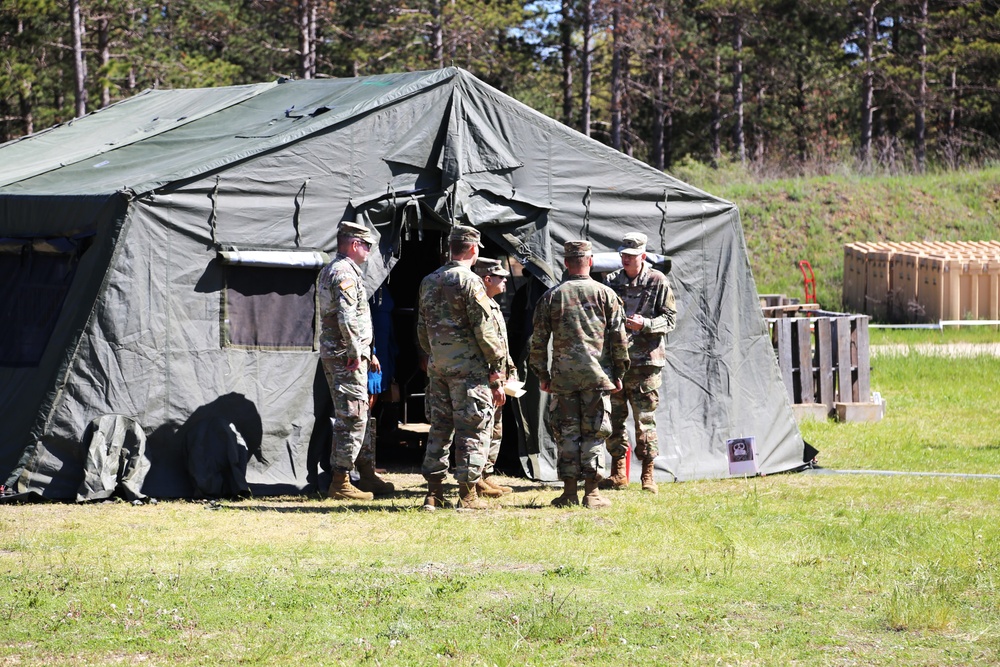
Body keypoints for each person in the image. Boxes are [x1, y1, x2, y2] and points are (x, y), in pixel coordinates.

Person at [528, 240, 629, 509]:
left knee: (567, 433)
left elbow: (537, 341)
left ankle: (569, 492)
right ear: (591, 261)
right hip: (597, 378)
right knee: (595, 433)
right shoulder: (607, 295)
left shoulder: (551, 296)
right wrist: (619, 372)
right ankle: (592, 493)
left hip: (563, 379)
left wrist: (542, 374)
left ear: (566, 263)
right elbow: (619, 339)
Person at [417, 226, 508, 511]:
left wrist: (435, 356)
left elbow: (422, 328)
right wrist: (496, 368)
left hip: (440, 367)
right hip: (469, 371)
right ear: (472, 249)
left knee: (439, 429)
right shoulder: (470, 282)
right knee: (473, 429)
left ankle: (433, 494)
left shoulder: (429, 280)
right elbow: (484, 329)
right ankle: (467, 495)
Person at [603, 232, 676, 494]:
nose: (625, 260)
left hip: (646, 363)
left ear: (642, 256)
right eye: (623, 255)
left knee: (645, 419)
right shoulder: (611, 281)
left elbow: (670, 320)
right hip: (618, 363)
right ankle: (618, 473)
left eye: (631, 256)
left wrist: (645, 324)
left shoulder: (658, 281)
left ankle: (648, 474)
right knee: (614, 419)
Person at [318, 221, 382, 502]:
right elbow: (345, 316)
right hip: (346, 355)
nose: (369, 251)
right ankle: (341, 480)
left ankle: (364, 473)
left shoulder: (339, 270)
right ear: (355, 244)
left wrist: (368, 351)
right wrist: (356, 352)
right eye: (367, 245)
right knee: (352, 415)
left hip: (350, 351)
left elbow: (352, 317)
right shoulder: (344, 272)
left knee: (360, 412)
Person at [473, 257, 518, 498]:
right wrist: (495, 379)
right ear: (487, 279)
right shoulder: (479, 306)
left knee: (496, 428)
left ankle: (486, 475)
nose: (505, 282)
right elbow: (486, 346)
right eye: (501, 278)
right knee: (485, 427)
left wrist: (509, 372)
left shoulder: (493, 305)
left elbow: (502, 345)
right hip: (486, 377)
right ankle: (477, 477)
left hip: (499, 375)